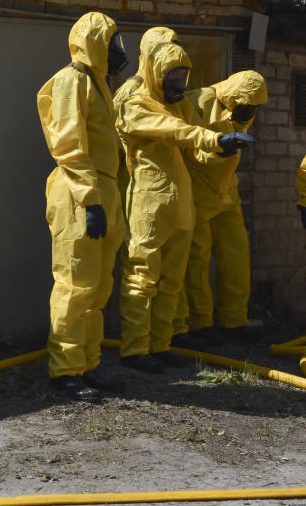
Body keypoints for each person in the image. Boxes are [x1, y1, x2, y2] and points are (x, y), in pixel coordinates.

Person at [114, 41, 252, 373]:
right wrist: (210, 140)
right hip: (147, 197)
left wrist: (219, 147)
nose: (177, 82)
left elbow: (196, 144)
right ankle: (135, 349)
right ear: (154, 72)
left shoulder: (178, 107)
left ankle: (160, 344)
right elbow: (174, 130)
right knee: (141, 275)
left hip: (181, 196)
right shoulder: (135, 103)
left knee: (173, 278)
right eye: (170, 75)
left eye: (181, 75)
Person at [36, 11, 129, 403]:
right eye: (111, 43)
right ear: (95, 43)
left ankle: (87, 364)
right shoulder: (71, 81)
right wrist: (91, 200)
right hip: (79, 193)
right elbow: (69, 146)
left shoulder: (97, 84)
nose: (118, 51)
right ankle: (66, 370)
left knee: (97, 287)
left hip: (101, 191)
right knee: (75, 286)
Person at [173, 71, 267, 345]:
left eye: (254, 108)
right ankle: (200, 324)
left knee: (237, 256)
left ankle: (234, 321)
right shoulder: (196, 102)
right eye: (247, 107)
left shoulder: (245, 106)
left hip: (227, 190)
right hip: (199, 191)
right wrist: (218, 149)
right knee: (197, 260)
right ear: (232, 97)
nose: (250, 113)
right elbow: (186, 144)